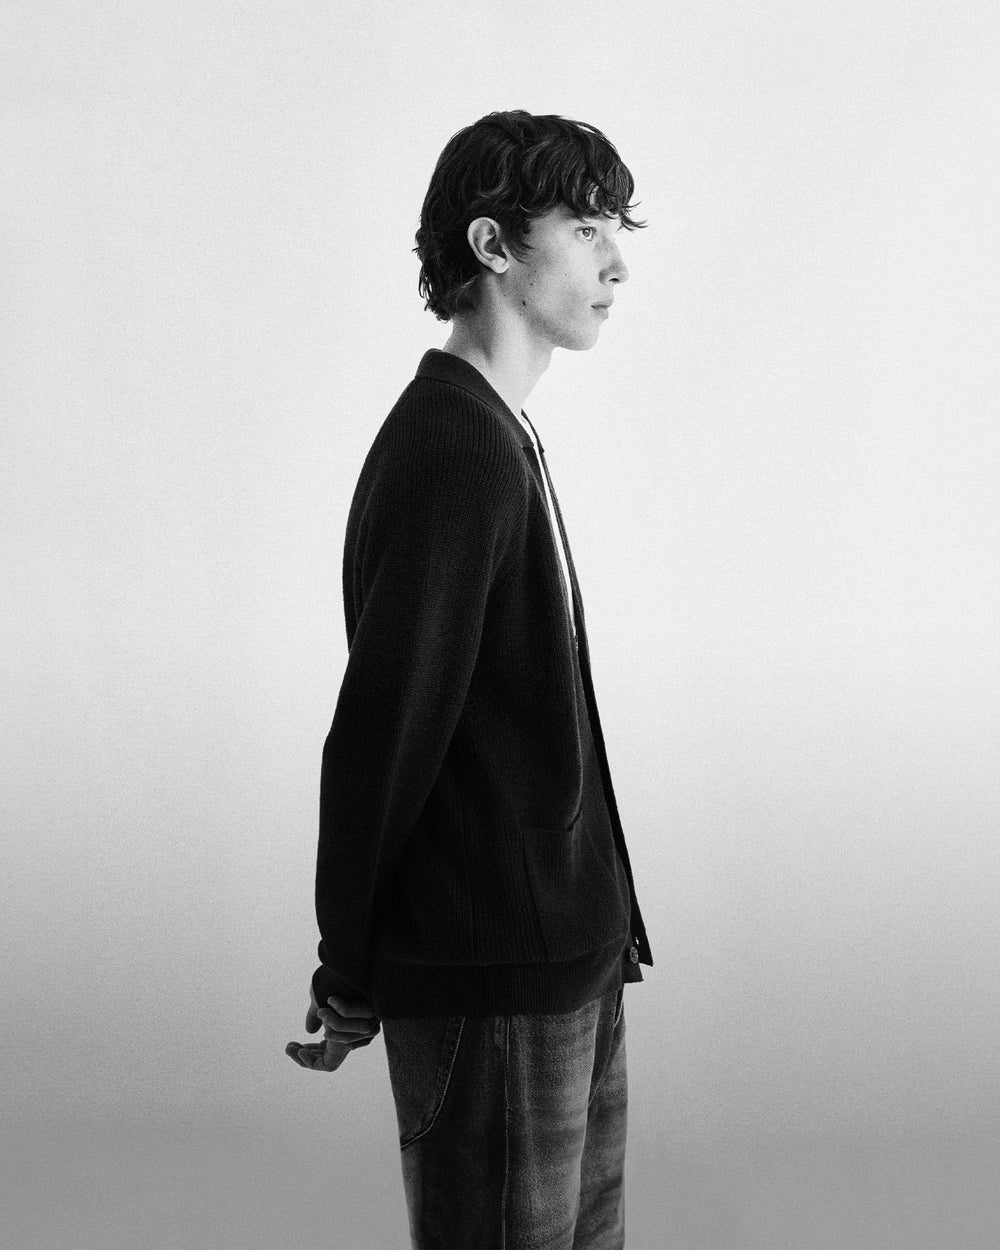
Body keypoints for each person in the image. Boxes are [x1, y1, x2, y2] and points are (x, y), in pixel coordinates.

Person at [286, 109, 653, 1249]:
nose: (616, 263)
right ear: (494, 245)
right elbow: (384, 733)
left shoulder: (497, 432)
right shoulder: (454, 448)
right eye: (585, 228)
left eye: (615, 228)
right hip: (492, 974)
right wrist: (348, 964)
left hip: (564, 960)